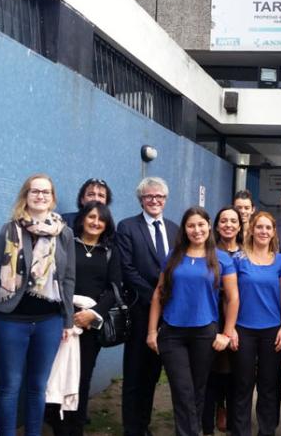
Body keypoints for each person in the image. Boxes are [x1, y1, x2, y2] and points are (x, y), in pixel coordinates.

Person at [0, 174, 75, 436]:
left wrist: (68, 320)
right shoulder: (8, 230)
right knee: (9, 386)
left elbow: (68, 279)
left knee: (38, 386)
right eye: (35, 191)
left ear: (53, 198)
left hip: (49, 320)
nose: (40, 196)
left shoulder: (64, 233)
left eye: (46, 192)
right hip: (9, 320)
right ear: (26, 196)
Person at [146, 207, 239, 436]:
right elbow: (158, 293)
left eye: (201, 224)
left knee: (197, 391)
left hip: (205, 333)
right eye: (191, 225)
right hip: (172, 333)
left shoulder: (222, 259)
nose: (196, 230)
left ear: (209, 226)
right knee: (183, 390)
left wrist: (226, 334)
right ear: (184, 229)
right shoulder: (174, 256)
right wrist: (151, 332)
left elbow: (233, 298)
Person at [46, 201, 122, 436]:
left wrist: (93, 314)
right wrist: (69, 314)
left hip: (90, 326)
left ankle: (75, 428)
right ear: (82, 219)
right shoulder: (66, 245)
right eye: (91, 217)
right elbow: (55, 280)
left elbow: (114, 289)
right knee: (55, 376)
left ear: (106, 224)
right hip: (61, 321)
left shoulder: (109, 252)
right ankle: (56, 425)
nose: (95, 222)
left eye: (101, 219)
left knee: (82, 377)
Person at [117, 176, 179, 436]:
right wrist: (155, 296)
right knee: (135, 374)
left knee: (153, 373)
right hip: (141, 310)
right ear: (141, 199)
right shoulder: (128, 227)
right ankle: (133, 428)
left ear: (165, 200)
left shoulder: (175, 229)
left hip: (171, 313)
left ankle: (144, 423)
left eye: (159, 197)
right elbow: (127, 269)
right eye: (149, 196)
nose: (155, 201)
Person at [233, 211, 281, 436]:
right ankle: (240, 431)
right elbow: (231, 295)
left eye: (268, 228)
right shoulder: (239, 258)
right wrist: (231, 329)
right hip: (243, 329)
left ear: (274, 232)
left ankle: (266, 431)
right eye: (259, 227)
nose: (263, 231)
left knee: (269, 386)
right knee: (242, 385)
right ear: (252, 230)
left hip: (272, 330)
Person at [205, 205, 244, 434]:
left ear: (240, 226)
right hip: (214, 315)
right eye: (223, 221)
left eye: (233, 221)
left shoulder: (247, 251)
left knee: (235, 369)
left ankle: (229, 411)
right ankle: (215, 411)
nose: (228, 225)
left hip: (241, 317)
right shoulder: (208, 250)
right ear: (217, 226)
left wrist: (235, 326)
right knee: (213, 368)